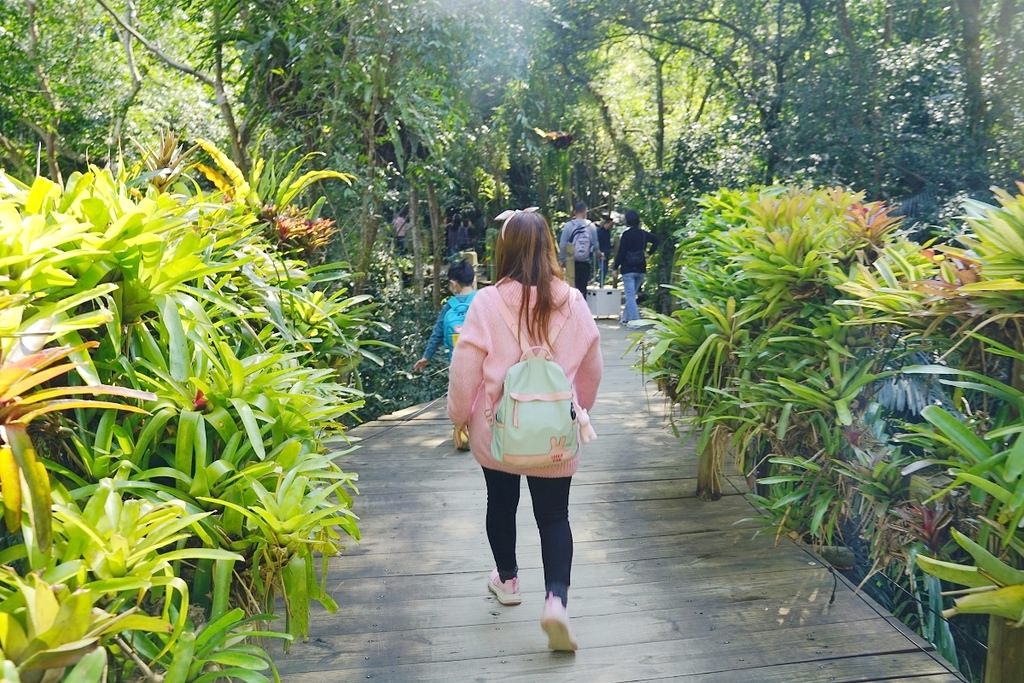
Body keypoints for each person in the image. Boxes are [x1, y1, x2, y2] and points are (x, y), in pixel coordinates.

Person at [448, 208, 603, 652]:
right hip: (556, 436)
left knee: (501, 500)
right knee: (554, 515)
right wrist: (579, 409)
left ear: (506, 248)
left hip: (498, 431)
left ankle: (509, 581)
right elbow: (593, 364)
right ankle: (556, 600)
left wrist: (459, 415)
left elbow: (465, 370)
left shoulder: (488, 302)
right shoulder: (572, 301)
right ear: (550, 247)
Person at [414, 260, 478, 449]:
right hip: (481, 363)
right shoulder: (482, 301)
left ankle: (461, 431)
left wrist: (427, 356)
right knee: (479, 397)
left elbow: (437, 333)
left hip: (456, 364)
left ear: (454, 282)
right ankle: (477, 432)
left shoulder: (448, 307)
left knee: (458, 397)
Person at [613, 209, 660, 325]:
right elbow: (656, 240)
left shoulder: (626, 235)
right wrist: (649, 253)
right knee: (631, 295)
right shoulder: (643, 234)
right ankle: (625, 319)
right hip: (640, 268)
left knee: (630, 295)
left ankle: (635, 321)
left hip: (628, 269)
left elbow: (621, 252)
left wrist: (615, 267)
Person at [558, 201, 601, 298]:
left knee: (571, 290)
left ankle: (571, 311)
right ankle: (582, 309)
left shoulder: (569, 225)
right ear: (585, 211)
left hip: (570, 262)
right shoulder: (591, 226)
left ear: (574, 212)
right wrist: (598, 253)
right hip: (585, 262)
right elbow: (595, 245)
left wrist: (562, 259)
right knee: (582, 290)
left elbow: (563, 244)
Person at [596, 213, 613, 286]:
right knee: (603, 269)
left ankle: (601, 283)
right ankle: (601, 283)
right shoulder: (599, 231)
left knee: (605, 269)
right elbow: (597, 243)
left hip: (606, 252)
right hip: (601, 253)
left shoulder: (608, 232)